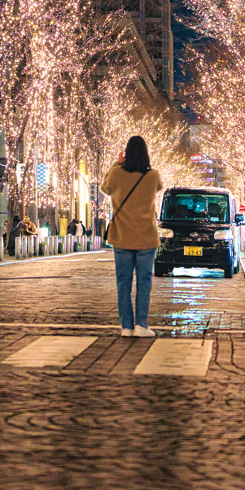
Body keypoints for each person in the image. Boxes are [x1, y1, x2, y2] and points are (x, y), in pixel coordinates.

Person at [100, 135, 163, 338]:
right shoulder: (153, 175)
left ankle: (126, 326)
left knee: (123, 282)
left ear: (126, 153)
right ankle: (141, 324)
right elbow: (159, 187)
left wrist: (116, 164)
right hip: (146, 235)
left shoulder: (117, 173)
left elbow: (105, 188)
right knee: (144, 281)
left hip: (122, 235)